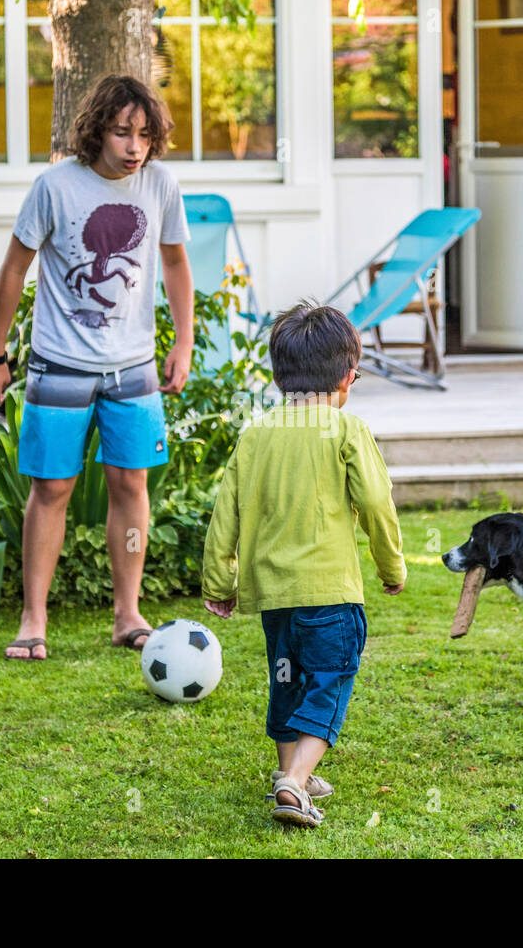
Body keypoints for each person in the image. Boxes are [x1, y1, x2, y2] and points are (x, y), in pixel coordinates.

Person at [0, 74, 194, 661]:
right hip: (59, 365)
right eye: (122, 133)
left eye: (144, 135)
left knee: (132, 485)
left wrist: (185, 340)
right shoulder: (55, 188)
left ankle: (128, 614)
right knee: (51, 489)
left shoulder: (160, 186)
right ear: (97, 130)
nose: (134, 147)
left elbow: (174, 263)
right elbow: (13, 271)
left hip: (134, 368)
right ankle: (33, 619)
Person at [201, 302, 406, 828]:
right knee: (330, 680)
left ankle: (288, 771)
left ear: (277, 376)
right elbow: (377, 504)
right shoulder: (345, 430)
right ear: (346, 378)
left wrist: (219, 582)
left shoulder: (255, 435)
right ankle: (295, 784)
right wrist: (391, 567)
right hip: (331, 594)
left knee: (286, 679)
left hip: (274, 596)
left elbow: (227, 514)